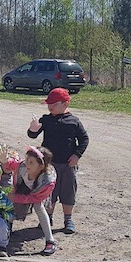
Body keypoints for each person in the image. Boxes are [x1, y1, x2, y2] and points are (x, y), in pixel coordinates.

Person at [27, 87, 89, 234]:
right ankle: (48, 217)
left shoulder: (74, 121)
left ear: (65, 104)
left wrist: (77, 155)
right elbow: (32, 135)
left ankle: (68, 219)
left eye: (54, 104)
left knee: (68, 191)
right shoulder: (46, 119)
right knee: (49, 192)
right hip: (49, 165)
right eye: (49, 104)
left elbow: (84, 139)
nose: (50, 106)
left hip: (68, 164)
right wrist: (33, 129)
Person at [0, 145, 58, 255]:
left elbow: (37, 198)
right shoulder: (23, 166)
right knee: (10, 206)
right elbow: (11, 165)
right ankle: (6, 231)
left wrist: (17, 197)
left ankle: (50, 241)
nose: (27, 164)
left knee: (38, 206)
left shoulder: (47, 181)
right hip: (23, 187)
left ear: (41, 167)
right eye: (27, 160)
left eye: (31, 162)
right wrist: (5, 160)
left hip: (38, 193)